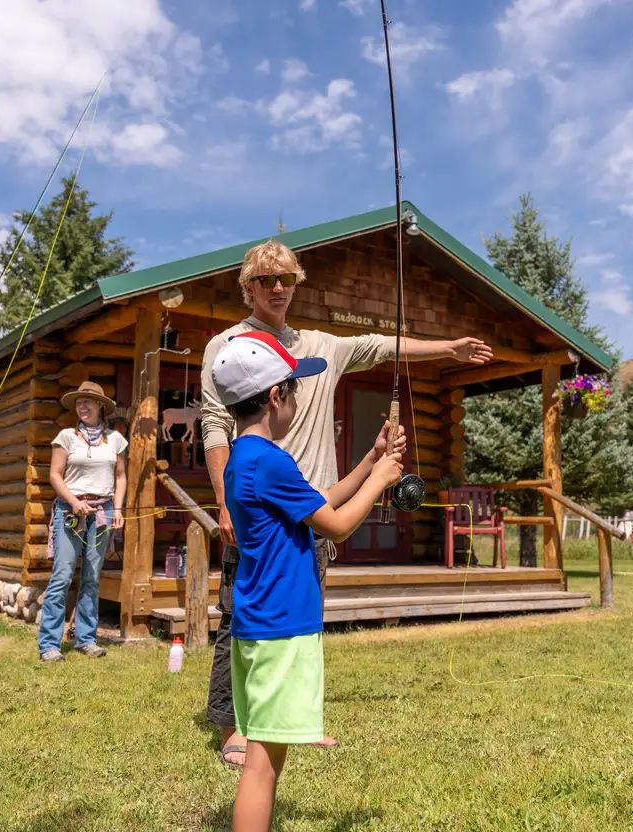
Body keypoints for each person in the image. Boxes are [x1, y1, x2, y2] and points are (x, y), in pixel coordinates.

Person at [200, 239, 494, 769]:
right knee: (239, 616)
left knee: (301, 616)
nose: (278, 288)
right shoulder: (227, 346)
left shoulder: (320, 344)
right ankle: (231, 726)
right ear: (248, 287)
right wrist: (224, 502)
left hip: (317, 503)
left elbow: (383, 345)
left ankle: (291, 720)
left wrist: (447, 348)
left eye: (286, 278)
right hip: (258, 507)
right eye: (266, 280)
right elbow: (215, 426)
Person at [213, 330, 403, 832]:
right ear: (276, 397)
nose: (298, 398)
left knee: (265, 755)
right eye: (294, 389)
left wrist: (369, 459)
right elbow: (337, 525)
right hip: (281, 627)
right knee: (263, 765)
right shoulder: (271, 461)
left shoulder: (244, 458)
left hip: (260, 622)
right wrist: (383, 479)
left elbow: (318, 501)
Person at [38, 381, 128, 661]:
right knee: (62, 575)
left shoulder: (116, 440)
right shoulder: (65, 437)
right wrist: (75, 502)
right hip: (70, 510)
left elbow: (121, 477)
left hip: (102, 512)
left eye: (88, 401)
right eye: (79, 402)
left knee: (91, 576)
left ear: (101, 406)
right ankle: (49, 644)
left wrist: (119, 508)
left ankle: (85, 638)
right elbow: (55, 475)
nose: (83, 406)